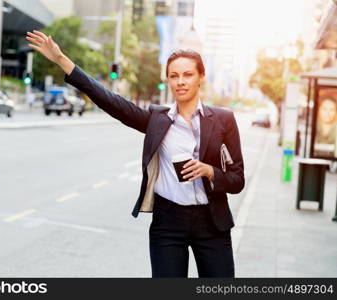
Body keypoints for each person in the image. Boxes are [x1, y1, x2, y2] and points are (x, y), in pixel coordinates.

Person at [26, 30, 244, 278]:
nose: (180, 81)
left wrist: (209, 171)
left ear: (201, 77)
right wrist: (62, 59)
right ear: (168, 80)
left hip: (212, 223)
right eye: (174, 76)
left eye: (187, 75)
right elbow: (110, 101)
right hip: (169, 222)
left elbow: (237, 180)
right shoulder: (158, 119)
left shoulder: (224, 120)